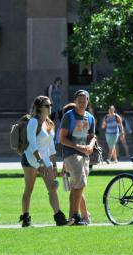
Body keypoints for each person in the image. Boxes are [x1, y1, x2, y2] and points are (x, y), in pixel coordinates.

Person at [19, 96, 68, 227]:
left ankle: (59, 217)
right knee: (29, 189)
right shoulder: (33, 122)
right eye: (47, 105)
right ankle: (25, 217)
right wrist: (39, 163)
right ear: (40, 107)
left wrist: (53, 165)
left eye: (51, 104)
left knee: (52, 187)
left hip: (44, 159)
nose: (50, 107)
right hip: (30, 158)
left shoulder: (49, 123)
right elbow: (32, 145)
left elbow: (51, 147)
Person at [59, 90, 97, 225]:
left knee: (77, 185)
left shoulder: (90, 118)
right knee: (81, 182)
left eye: (84, 100)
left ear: (87, 101)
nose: (82, 103)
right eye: (79, 100)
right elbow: (62, 138)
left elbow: (92, 136)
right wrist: (78, 147)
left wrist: (91, 145)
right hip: (71, 154)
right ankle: (76, 215)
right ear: (75, 101)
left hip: (85, 154)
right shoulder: (69, 116)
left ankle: (72, 217)